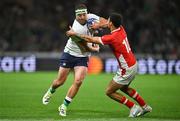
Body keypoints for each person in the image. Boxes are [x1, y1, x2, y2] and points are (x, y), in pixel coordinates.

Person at [66, 13, 152, 118]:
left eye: (108, 21)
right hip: (133, 64)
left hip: (126, 69)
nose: (107, 22)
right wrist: (99, 25)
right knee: (124, 88)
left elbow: (91, 39)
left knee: (109, 91)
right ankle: (145, 106)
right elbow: (107, 24)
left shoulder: (112, 37)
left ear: (111, 23)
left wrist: (75, 34)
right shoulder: (121, 29)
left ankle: (133, 107)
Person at [42, 4, 108, 117]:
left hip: (83, 57)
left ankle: (64, 106)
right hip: (70, 53)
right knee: (60, 82)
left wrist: (98, 25)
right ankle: (50, 91)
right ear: (76, 15)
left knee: (78, 81)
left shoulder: (91, 17)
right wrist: (94, 48)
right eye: (79, 15)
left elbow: (106, 22)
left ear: (86, 13)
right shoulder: (75, 28)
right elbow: (84, 47)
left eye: (84, 14)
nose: (82, 17)